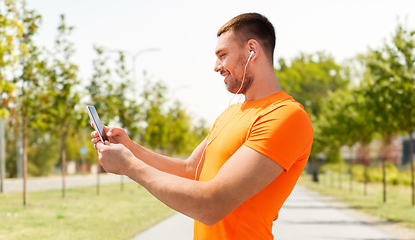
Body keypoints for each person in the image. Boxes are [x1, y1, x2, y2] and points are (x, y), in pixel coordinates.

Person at [91, 12, 313, 240]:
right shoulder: (230, 114)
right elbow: (189, 171)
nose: (217, 66)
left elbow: (213, 204)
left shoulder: (286, 116)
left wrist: (129, 166)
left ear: (252, 51)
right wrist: (129, 148)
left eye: (223, 55)